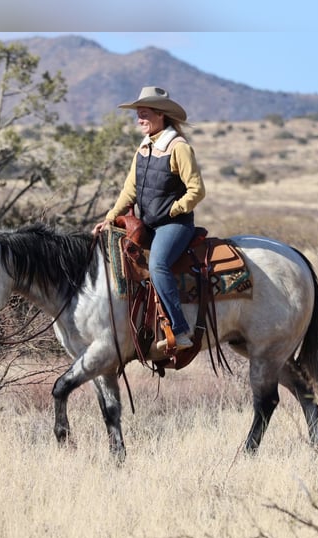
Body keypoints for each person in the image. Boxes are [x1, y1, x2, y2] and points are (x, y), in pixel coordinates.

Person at [92, 86, 206, 352]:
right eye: (138, 115)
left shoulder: (178, 147)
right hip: (148, 224)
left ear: (161, 115)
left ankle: (180, 330)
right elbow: (129, 190)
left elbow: (197, 190)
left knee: (157, 266)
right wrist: (110, 218)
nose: (139, 120)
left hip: (174, 225)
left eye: (144, 115)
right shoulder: (143, 148)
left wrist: (174, 209)